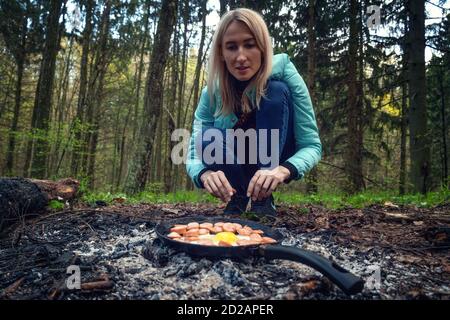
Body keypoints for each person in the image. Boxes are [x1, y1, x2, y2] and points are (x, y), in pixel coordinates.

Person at [186, 8, 321, 217]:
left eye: (249, 45)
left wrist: (283, 170)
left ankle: (262, 197)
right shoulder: (211, 92)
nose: (241, 57)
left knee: (275, 91)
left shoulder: (287, 74)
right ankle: (238, 195)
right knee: (206, 137)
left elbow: (311, 145)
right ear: (222, 53)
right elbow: (194, 151)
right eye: (231, 47)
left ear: (263, 48)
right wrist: (204, 174)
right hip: (236, 159)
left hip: (276, 156)